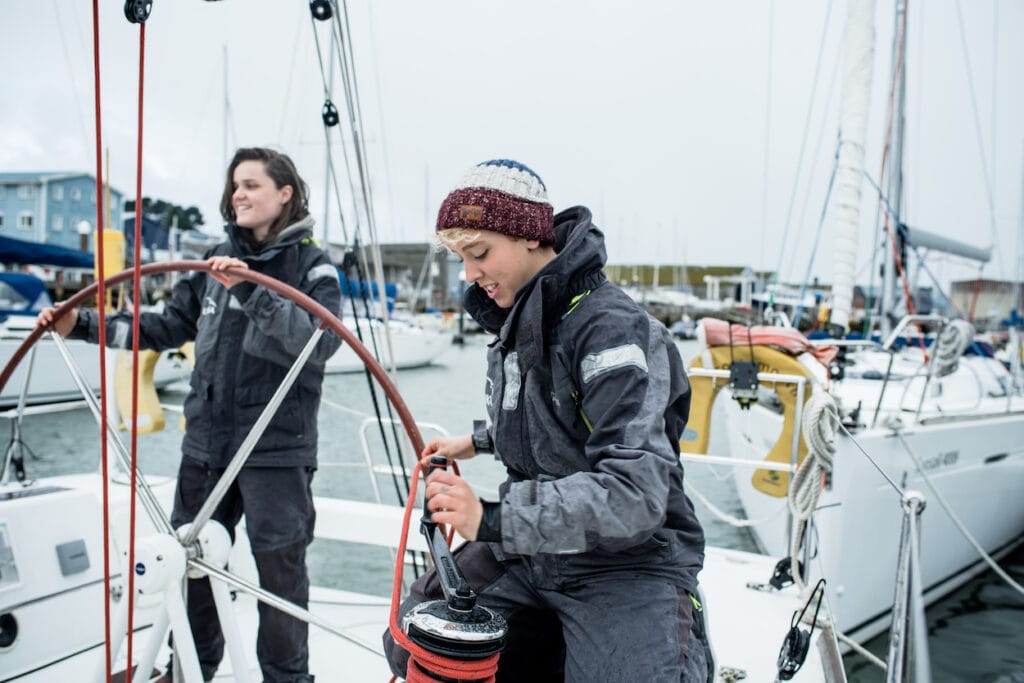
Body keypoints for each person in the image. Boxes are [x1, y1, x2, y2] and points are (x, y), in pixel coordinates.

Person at [383, 159, 710, 681]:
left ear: (531, 236)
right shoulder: (517, 315)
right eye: (462, 259)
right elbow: (556, 421)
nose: (469, 275)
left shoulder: (614, 331)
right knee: (416, 641)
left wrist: (491, 519)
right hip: (535, 555)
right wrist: (478, 440)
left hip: (626, 562)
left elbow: (636, 494)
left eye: (480, 253)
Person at [37, 147, 342, 683]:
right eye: (234, 186)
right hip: (206, 449)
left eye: (250, 185)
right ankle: (188, 674)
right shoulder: (211, 260)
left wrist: (249, 289)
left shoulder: (312, 266)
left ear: (285, 193)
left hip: (276, 451)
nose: (238, 195)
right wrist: (80, 325)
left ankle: (288, 680)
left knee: (280, 577)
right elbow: (165, 326)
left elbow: (317, 344)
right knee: (192, 568)